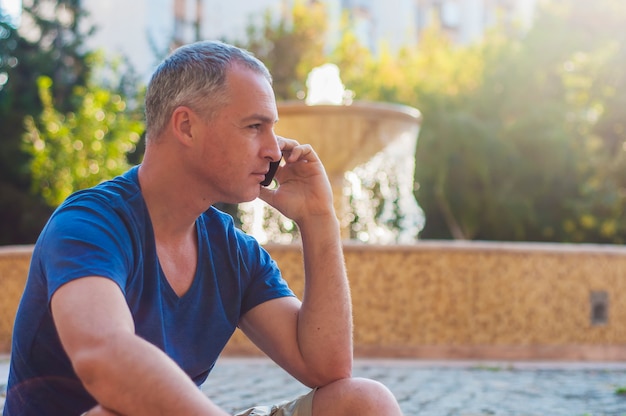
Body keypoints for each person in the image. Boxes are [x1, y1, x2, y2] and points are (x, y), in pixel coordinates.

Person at [4, 40, 403, 415]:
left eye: (271, 128)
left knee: (364, 402)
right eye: (253, 127)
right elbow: (104, 359)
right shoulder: (90, 225)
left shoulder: (231, 250)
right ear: (186, 126)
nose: (273, 149)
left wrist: (319, 220)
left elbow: (326, 368)